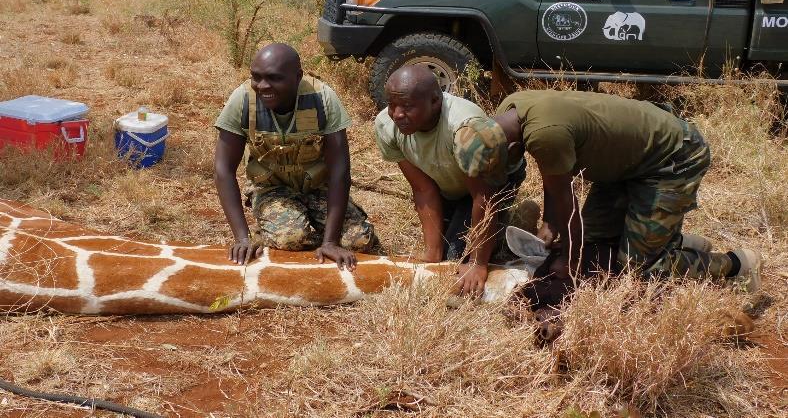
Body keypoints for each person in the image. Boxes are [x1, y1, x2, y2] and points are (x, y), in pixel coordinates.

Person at [493, 89, 762, 306]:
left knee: (639, 269)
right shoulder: (509, 111)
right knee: (595, 244)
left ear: (514, 147)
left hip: (672, 157)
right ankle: (675, 242)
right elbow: (553, 175)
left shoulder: (545, 135)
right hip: (625, 164)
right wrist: (551, 224)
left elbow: (568, 205)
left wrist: (569, 262)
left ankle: (738, 264)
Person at [214, 43, 377, 269]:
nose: (263, 86)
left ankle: (309, 229)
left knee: (359, 241)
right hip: (272, 189)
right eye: (256, 77)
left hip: (319, 187)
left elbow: (340, 171)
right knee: (291, 238)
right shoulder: (243, 100)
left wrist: (330, 242)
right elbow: (223, 170)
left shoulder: (322, 98)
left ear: (298, 77)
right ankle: (276, 228)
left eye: (274, 78)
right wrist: (242, 238)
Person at [374, 64, 524, 297]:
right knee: (442, 258)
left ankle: (515, 220)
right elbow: (422, 189)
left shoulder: (463, 127)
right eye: (391, 105)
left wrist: (477, 263)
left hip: (489, 185)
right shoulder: (386, 124)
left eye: (407, 106)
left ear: (435, 101)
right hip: (449, 185)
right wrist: (431, 254)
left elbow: (484, 197)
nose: (397, 114)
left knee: (458, 258)